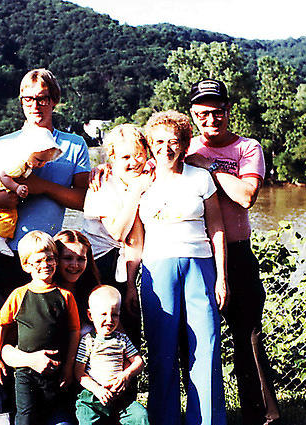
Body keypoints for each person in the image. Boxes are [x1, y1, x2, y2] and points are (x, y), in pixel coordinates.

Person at [0, 68, 91, 424]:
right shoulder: (1, 145)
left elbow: (82, 200)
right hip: (2, 253)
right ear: (20, 102)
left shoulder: (73, 145)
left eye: (42, 98)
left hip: (45, 263)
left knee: (50, 335)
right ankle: (3, 415)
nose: (35, 105)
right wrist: (2, 198)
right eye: (28, 98)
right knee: (1, 333)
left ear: (54, 100)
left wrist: (40, 186)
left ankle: (49, 412)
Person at [186, 78, 281, 425]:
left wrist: (208, 166)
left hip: (238, 253)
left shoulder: (247, 148)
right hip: (197, 253)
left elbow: (245, 196)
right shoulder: (185, 146)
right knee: (194, 337)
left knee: (248, 335)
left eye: (216, 113)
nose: (210, 121)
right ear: (193, 115)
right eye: (202, 114)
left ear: (228, 111)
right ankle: (204, 412)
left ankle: (263, 415)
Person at [127, 110, 227, 425]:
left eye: (174, 141)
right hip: (157, 269)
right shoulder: (142, 183)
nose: (166, 148)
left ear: (184, 145)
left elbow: (217, 230)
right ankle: (165, 419)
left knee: (206, 346)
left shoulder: (200, 178)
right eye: (159, 141)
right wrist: (130, 283)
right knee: (161, 350)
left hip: (200, 266)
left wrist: (222, 279)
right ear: (150, 145)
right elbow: (134, 240)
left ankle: (207, 420)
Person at [0, 231, 80, 425]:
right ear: (26, 265)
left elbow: (74, 332)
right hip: (25, 374)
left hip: (56, 372)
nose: (45, 265)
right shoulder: (19, 294)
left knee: (59, 416)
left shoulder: (65, 296)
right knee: (25, 418)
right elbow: (1, 326)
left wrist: (68, 366)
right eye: (38, 261)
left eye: (50, 259)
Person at [82, 124, 152, 345]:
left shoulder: (148, 176)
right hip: (100, 267)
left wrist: (132, 283)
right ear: (112, 157)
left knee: (131, 335)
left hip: (132, 265)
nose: (134, 162)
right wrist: (135, 191)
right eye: (126, 157)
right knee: (101, 335)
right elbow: (118, 232)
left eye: (140, 155)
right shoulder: (101, 184)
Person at [0, 126, 61, 256]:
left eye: (45, 162)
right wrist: (16, 187)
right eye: (38, 160)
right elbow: (4, 176)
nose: (41, 165)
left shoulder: (22, 162)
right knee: (10, 216)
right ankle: (0, 238)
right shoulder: (18, 164)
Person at [74, 285, 149, 425]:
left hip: (119, 397)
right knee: (86, 418)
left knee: (140, 415)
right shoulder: (88, 340)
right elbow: (79, 373)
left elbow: (139, 362)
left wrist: (126, 374)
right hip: (93, 397)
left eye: (114, 314)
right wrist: (97, 389)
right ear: (90, 315)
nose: (109, 319)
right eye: (103, 314)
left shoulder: (122, 339)